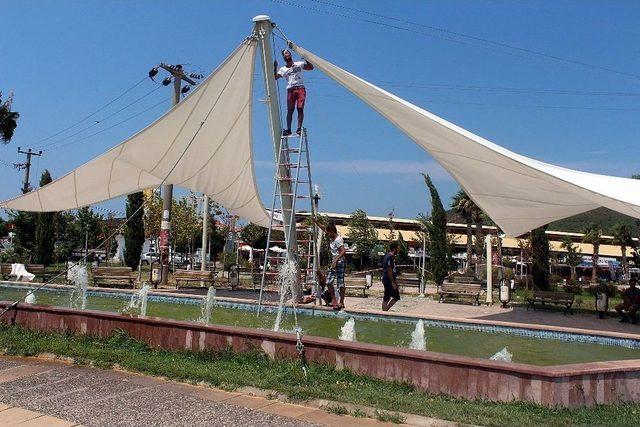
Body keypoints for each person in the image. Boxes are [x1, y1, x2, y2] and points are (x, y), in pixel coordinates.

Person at [274, 49, 314, 136]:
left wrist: (306, 59)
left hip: (300, 88)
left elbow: (311, 67)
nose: (285, 55)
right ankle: (288, 129)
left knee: (300, 108)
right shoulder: (283, 69)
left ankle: (299, 128)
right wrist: (275, 67)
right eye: (284, 55)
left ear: (290, 54)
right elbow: (276, 77)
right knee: (290, 110)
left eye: (286, 53)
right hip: (290, 89)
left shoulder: (299, 64)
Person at [314, 218, 345, 309]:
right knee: (328, 282)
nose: (326, 234)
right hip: (334, 261)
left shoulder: (338, 239)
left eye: (328, 233)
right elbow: (324, 228)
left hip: (340, 261)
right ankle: (334, 300)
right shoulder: (331, 236)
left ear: (332, 231)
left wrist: (335, 260)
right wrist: (316, 222)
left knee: (340, 283)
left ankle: (341, 302)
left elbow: (343, 251)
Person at [382, 242, 400, 311]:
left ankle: (386, 309)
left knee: (396, 297)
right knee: (387, 296)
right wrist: (392, 282)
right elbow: (389, 270)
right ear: (394, 249)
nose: (398, 250)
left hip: (391, 280)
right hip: (388, 280)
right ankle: (384, 311)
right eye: (398, 248)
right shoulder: (389, 257)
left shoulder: (392, 257)